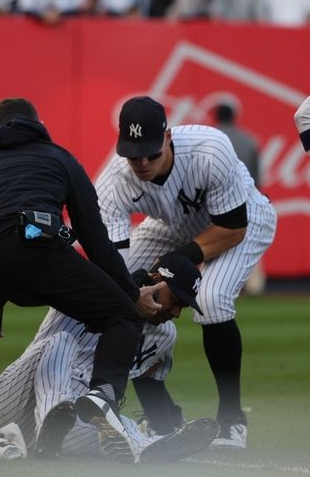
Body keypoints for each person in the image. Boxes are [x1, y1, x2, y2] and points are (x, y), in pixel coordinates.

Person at [0, 97, 162, 462]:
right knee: (122, 316)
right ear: (36, 123)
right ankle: (102, 397)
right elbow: (95, 241)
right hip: (35, 252)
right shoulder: (58, 157)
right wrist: (130, 292)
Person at [95, 96, 277, 449]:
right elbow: (113, 263)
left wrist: (170, 265)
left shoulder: (210, 149)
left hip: (244, 220)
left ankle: (231, 419)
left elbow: (231, 228)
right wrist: (133, 286)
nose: (143, 163)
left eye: (151, 152)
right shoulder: (114, 179)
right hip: (172, 225)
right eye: (134, 155)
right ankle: (162, 418)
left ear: (168, 137)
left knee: (212, 299)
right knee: (119, 298)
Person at [0, 254, 219, 463]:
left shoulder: (164, 336)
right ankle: (52, 417)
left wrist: (166, 420)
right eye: (177, 301)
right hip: (18, 397)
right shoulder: (96, 287)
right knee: (61, 341)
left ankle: (148, 447)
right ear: (157, 278)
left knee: (119, 425)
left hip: (71, 423)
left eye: (184, 307)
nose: (177, 313)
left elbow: (151, 384)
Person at [213, 103, 264, 296]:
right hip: (247, 199)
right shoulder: (248, 140)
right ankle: (255, 286)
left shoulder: (212, 139)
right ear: (233, 116)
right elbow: (257, 177)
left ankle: (219, 285)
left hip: (216, 202)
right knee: (250, 240)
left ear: (216, 116)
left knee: (217, 243)